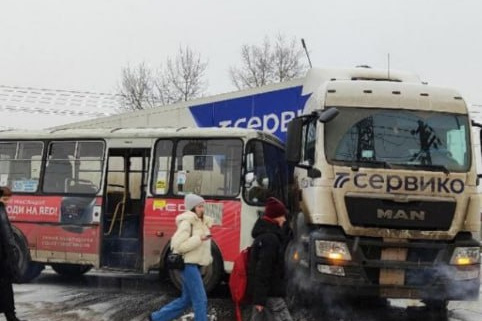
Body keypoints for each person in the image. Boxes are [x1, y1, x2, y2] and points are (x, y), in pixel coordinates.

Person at [150, 193, 213, 321]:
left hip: (195, 265)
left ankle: (157, 318)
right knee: (200, 300)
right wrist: (198, 238)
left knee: (186, 300)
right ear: (193, 208)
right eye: (199, 206)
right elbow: (178, 246)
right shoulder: (187, 223)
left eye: (203, 206)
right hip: (188, 265)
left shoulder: (200, 222)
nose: (202, 209)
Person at [248, 197, 293, 321]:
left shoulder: (264, 236)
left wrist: (258, 299)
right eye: (282, 216)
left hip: (264, 293)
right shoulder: (270, 239)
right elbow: (263, 270)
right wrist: (259, 300)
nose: (284, 219)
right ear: (275, 217)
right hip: (271, 293)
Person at [0, 187, 25, 321]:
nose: (7, 202)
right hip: (2, 256)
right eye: (5, 199)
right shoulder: (0, 210)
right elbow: (7, 235)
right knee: (5, 285)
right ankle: (10, 315)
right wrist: (13, 252)